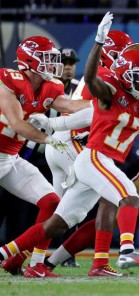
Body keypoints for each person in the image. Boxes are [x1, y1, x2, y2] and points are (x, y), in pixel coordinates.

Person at [0, 13, 139, 277]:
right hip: (81, 148)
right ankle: (122, 253)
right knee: (125, 197)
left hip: (67, 147)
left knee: (58, 218)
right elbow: (90, 105)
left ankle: (13, 256)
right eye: (131, 63)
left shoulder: (137, 98)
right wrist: (52, 129)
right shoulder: (108, 83)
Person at [0, 36, 90, 277]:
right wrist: (49, 139)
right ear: (29, 62)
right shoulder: (7, 82)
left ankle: (31, 262)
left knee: (51, 203)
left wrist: (103, 107)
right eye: (47, 58)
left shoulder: (51, 87)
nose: (53, 64)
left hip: (9, 159)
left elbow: (71, 106)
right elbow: (18, 124)